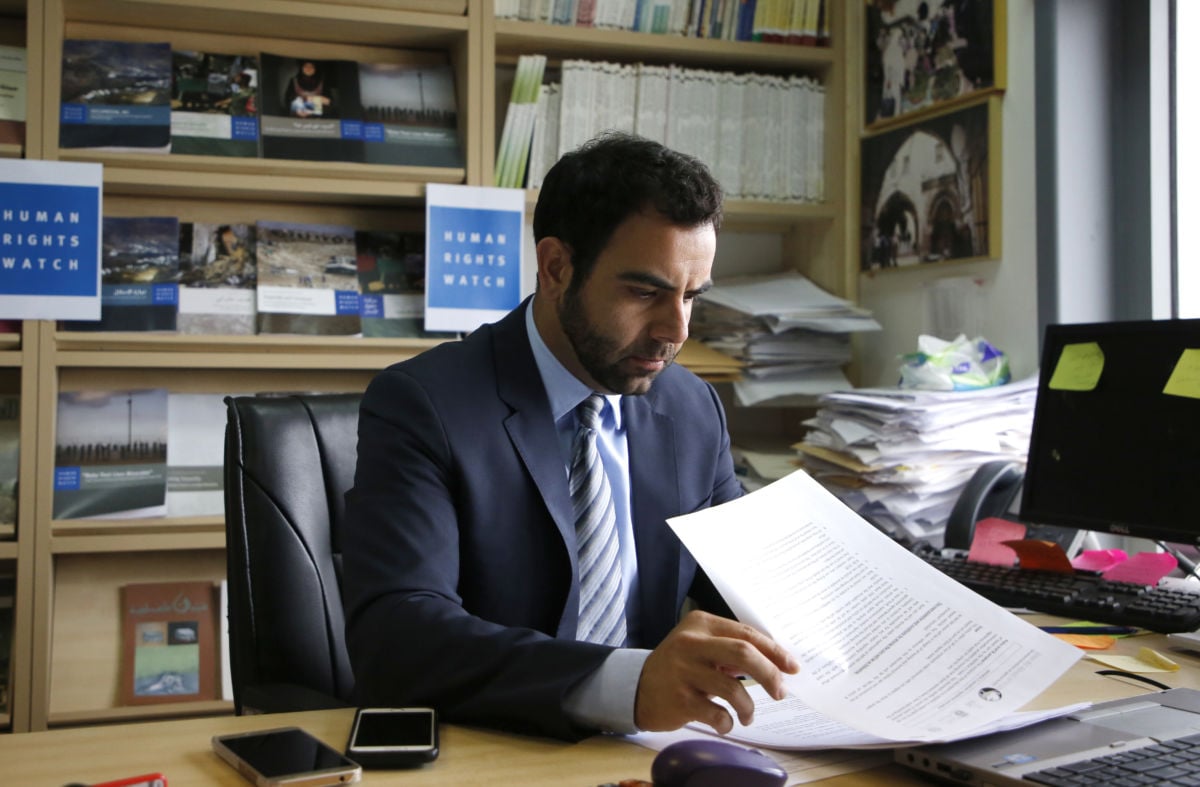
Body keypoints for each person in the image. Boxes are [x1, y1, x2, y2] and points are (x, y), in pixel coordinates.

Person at [342, 132, 798, 741]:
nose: (675, 330)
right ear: (557, 267)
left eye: (692, 296)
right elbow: (400, 637)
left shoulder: (690, 408)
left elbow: (746, 589)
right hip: (500, 753)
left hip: (653, 755)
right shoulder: (425, 404)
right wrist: (626, 684)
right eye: (644, 292)